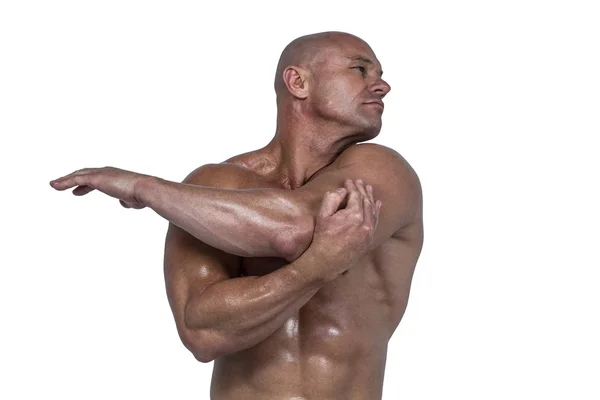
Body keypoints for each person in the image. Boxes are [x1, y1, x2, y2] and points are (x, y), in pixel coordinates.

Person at [50, 31, 423, 400]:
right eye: (361, 69)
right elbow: (202, 333)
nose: (383, 86)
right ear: (298, 82)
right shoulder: (214, 187)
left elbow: (296, 228)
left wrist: (144, 189)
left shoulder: (384, 172)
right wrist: (313, 271)